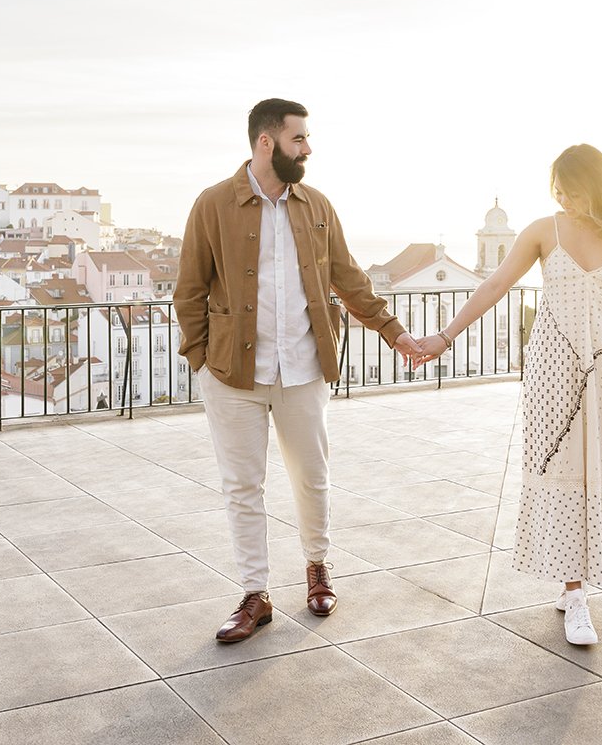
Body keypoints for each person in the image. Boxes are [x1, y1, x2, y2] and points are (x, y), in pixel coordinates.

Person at [174, 98, 423, 643]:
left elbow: (349, 279)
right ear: (267, 142)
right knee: (243, 485)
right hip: (232, 376)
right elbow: (189, 291)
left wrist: (395, 333)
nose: (308, 148)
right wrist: (201, 363)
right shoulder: (213, 204)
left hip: (305, 370)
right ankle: (253, 594)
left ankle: (317, 568)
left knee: (311, 478)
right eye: (299, 139)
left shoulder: (316, 206)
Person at [413, 144, 602, 645]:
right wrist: (445, 336)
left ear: (596, 185)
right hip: (553, 370)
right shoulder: (545, 231)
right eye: (559, 192)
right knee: (564, 471)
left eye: (572, 191)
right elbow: (496, 284)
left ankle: (578, 586)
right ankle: (575, 592)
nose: (564, 200)